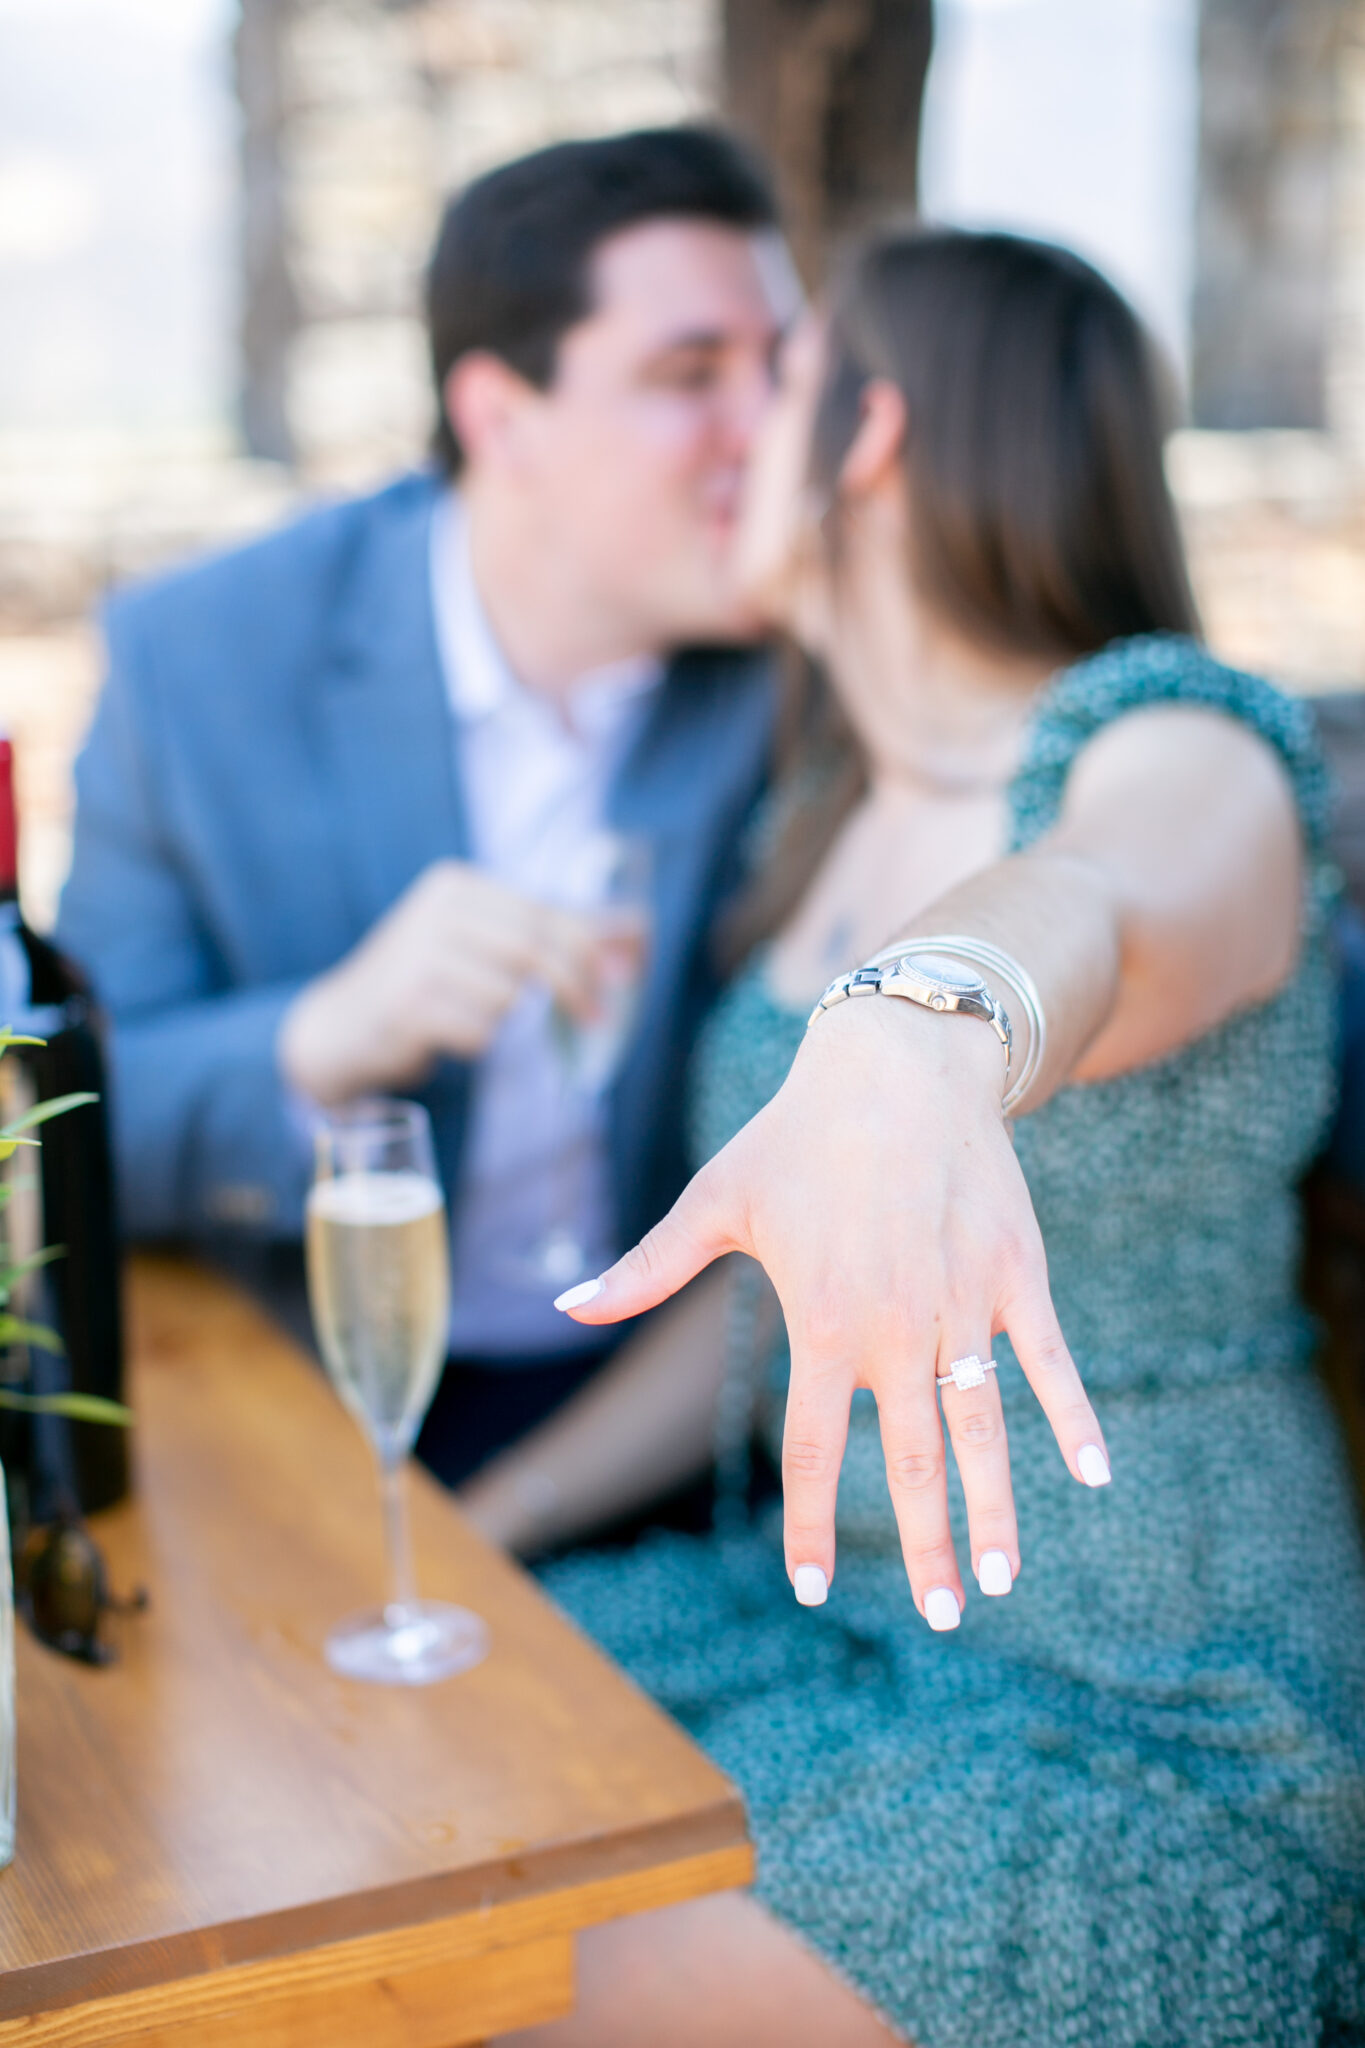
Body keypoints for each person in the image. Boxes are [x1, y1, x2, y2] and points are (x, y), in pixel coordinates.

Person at [473, 230, 1365, 2047]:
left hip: (1150, 1722)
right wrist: (486, 1521)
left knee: (465, 1983)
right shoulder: (815, 813)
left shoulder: (1173, 743)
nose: (731, 442)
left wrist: (920, 1026)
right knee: (405, 1792)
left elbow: (1104, 901)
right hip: (825, 1634)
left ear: (866, 437)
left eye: (773, 386)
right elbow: (761, 1304)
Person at [55, 125, 791, 1486]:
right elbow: (78, 1118)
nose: (767, 431)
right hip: (306, 1408)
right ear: (498, 416)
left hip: (672, 1427)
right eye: (692, 374)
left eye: (781, 370)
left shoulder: (808, 664)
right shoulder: (199, 664)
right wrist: (320, 1039)